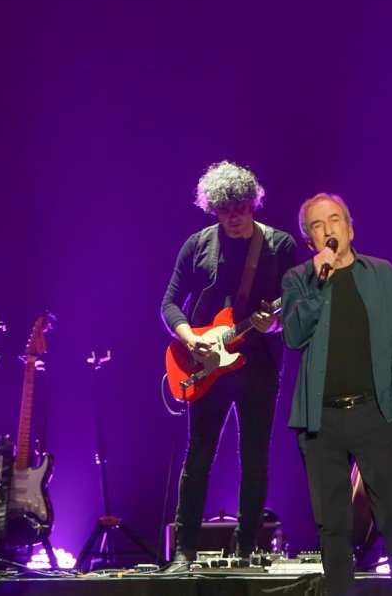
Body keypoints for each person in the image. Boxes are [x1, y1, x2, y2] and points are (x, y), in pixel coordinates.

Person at [281, 193, 392, 595]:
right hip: (319, 420)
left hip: (373, 412)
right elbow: (293, 336)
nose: (328, 230)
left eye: (335, 220)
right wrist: (317, 281)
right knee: (334, 526)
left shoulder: (381, 273)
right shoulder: (298, 280)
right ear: (310, 239)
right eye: (317, 226)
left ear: (350, 228)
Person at [160, 161, 298, 565]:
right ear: (213, 209)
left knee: (255, 457)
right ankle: (185, 550)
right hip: (205, 362)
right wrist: (192, 338)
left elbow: (295, 307)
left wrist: (273, 324)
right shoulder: (197, 245)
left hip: (260, 363)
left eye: (240, 207)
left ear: (253, 203)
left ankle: (248, 546)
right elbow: (169, 303)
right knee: (199, 455)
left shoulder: (281, 246)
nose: (234, 217)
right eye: (224, 210)